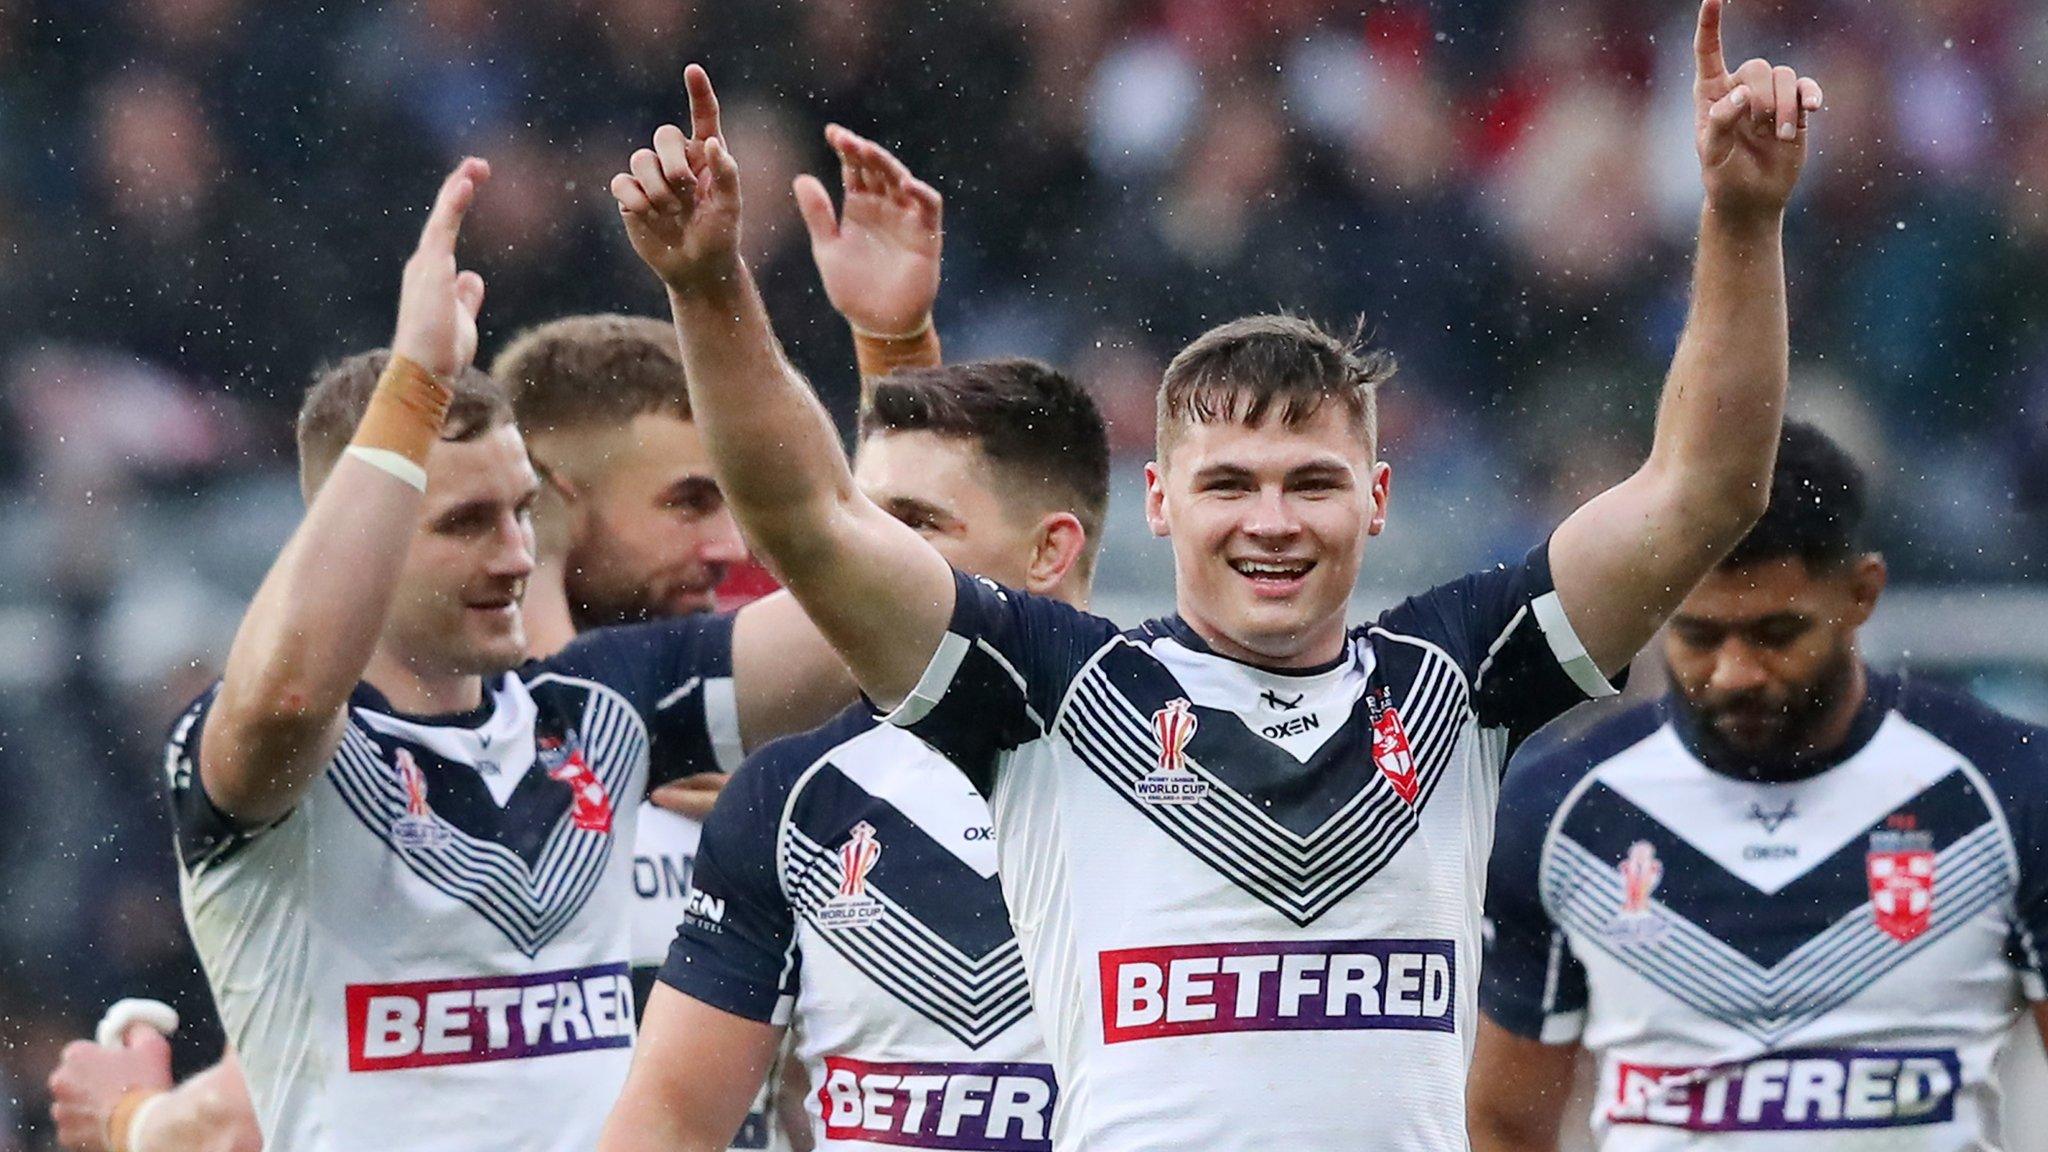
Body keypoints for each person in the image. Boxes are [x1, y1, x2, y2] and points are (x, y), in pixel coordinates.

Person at [605, 2, 1821, 1144]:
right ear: (1157, 502)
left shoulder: (1457, 680)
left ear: (1378, 501)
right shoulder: (1049, 696)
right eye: (1228, 484)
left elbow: (1706, 490)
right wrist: (709, 287)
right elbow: (809, 519)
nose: (1272, 522)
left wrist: (1740, 221)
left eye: (1312, 481)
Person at [44, 121, 946, 1152]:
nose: (519, 553)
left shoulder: (601, 712)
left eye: (523, 512)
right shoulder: (280, 763)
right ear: (367, 533)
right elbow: (291, 693)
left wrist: (834, 335)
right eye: (469, 523)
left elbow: (879, 610)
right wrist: (413, 383)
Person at [1468, 423, 2048, 1151]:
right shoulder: (1557, 811)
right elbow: (1504, 1124)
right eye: (1700, 636)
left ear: (1862, 593)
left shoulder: (2013, 788)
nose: (1736, 673)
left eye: (1777, 634)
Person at [601, 358, 1106, 1152]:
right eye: (857, 524)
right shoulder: (791, 797)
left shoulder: (1179, 770)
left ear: (1050, 552)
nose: (857, 558)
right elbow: (671, 1125)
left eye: (915, 525)